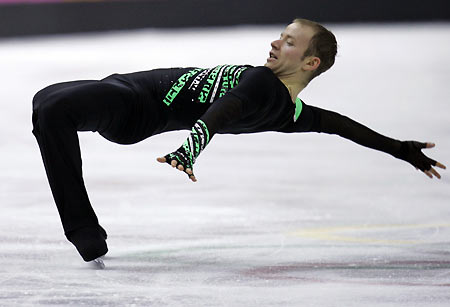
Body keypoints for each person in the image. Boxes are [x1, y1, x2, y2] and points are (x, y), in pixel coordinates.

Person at [31, 18, 446, 266]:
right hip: (125, 103)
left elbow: (227, 108)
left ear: (310, 62)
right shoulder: (290, 114)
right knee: (45, 102)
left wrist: (193, 145)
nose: (274, 42)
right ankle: (84, 229)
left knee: (51, 108)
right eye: (279, 35)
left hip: (130, 102)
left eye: (288, 41)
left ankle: (84, 232)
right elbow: (341, 125)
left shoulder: (263, 84)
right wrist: (399, 149)